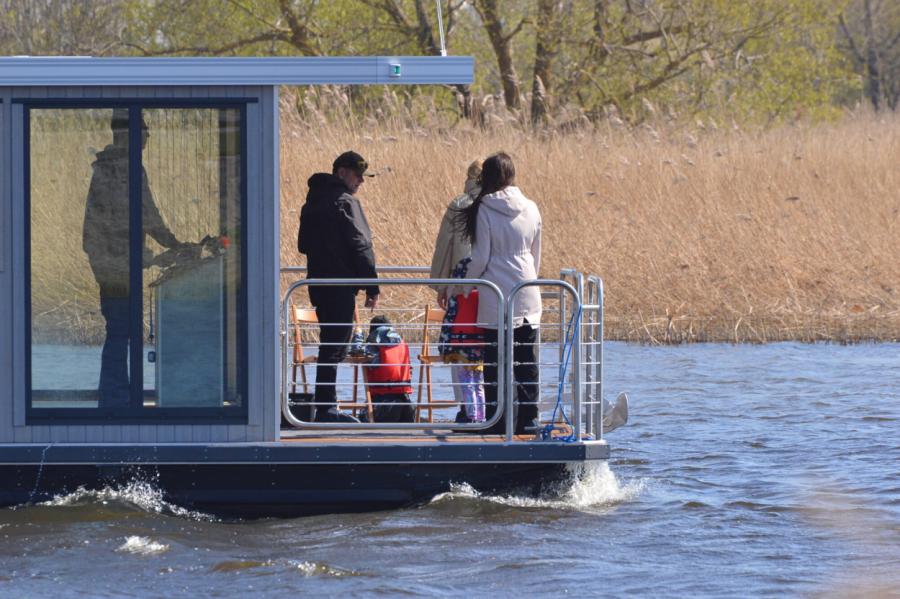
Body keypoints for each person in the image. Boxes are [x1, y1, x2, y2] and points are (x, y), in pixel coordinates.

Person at [83, 109, 181, 408]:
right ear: (128, 135)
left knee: (119, 330)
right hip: (116, 268)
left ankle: (117, 395)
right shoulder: (124, 169)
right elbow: (144, 217)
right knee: (120, 330)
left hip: (114, 265)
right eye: (144, 130)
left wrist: (167, 248)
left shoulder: (110, 167)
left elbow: (140, 219)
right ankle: (114, 398)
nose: (148, 136)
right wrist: (171, 248)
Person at [455, 152, 542, 435]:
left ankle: (497, 420)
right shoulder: (531, 207)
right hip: (526, 290)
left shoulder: (485, 208)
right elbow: (535, 254)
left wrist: (466, 284)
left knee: (496, 362)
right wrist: (530, 279)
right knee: (526, 360)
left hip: (496, 293)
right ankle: (529, 420)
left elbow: (480, 257)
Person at [297, 151, 379, 423]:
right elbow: (361, 244)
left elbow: (302, 245)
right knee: (335, 347)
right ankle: (326, 408)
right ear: (341, 172)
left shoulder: (311, 202)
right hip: (341, 286)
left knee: (328, 345)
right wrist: (372, 285)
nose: (361, 182)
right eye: (357, 175)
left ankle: (325, 406)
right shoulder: (346, 202)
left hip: (319, 284)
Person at [430, 160, 485, 424]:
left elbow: (444, 247)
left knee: (459, 351)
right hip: (490, 289)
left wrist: (441, 285)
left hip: (460, 288)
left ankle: (466, 409)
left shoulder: (459, 204)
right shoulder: (496, 203)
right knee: (486, 349)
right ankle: (487, 409)